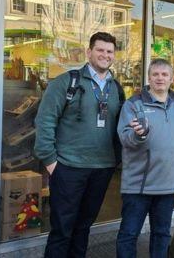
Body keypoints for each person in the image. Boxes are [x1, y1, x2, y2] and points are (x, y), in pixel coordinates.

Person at [34, 32, 124, 258]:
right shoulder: (67, 82)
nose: (105, 55)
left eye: (109, 51)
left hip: (102, 169)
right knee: (62, 230)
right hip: (68, 167)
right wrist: (51, 161)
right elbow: (44, 121)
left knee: (83, 228)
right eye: (100, 50)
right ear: (89, 52)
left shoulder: (117, 89)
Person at [116, 58, 174, 258]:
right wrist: (138, 135)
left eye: (164, 74)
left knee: (162, 234)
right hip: (139, 185)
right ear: (149, 77)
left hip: (168, 184)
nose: (160, 78)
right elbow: (124, 138)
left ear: (172, 78)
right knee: (129, 234)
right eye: (155, 74)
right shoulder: (133, 104)